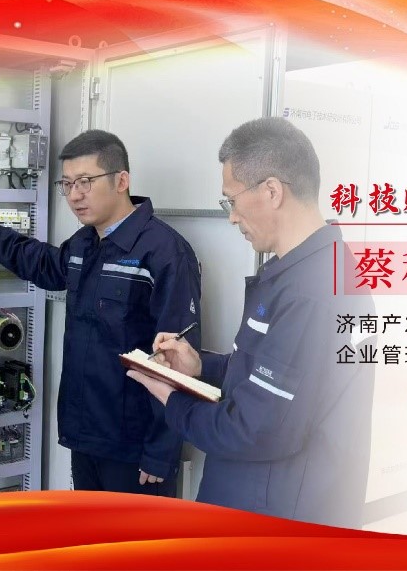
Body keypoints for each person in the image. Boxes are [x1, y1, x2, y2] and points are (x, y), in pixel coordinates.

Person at [129, 117, 375, 527]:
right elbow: (276, 373)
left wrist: (171, 397)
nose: (231, 217)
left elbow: (253, 429)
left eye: (231, 200)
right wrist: (201, 366)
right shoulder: (305, 272)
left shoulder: (312, 291)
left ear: (272, 191)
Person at [0, 130, 201, 496]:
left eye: (85, 182)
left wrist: (160, 452)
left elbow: (178, 360)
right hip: (85, 435)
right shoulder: (84, 242)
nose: (74, 195)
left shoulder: (164, 252)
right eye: (67, 184)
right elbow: (43, 264)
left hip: (133, 448)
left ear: (121, 181)